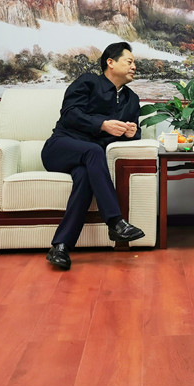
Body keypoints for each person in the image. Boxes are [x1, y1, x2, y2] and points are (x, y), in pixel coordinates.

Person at [41, 41, 145, 270]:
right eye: (129, 61)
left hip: (90, 160)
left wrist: (132, 133)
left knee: (85, 177)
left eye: (134, 63)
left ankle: (60, 247)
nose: (134, 66)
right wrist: (102, 124)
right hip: (60, 148)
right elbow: (69, 114)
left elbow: (132, 132)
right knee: (93, 150)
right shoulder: (88, 82)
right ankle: (115, 221)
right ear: (110, 62)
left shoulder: (132, 100)